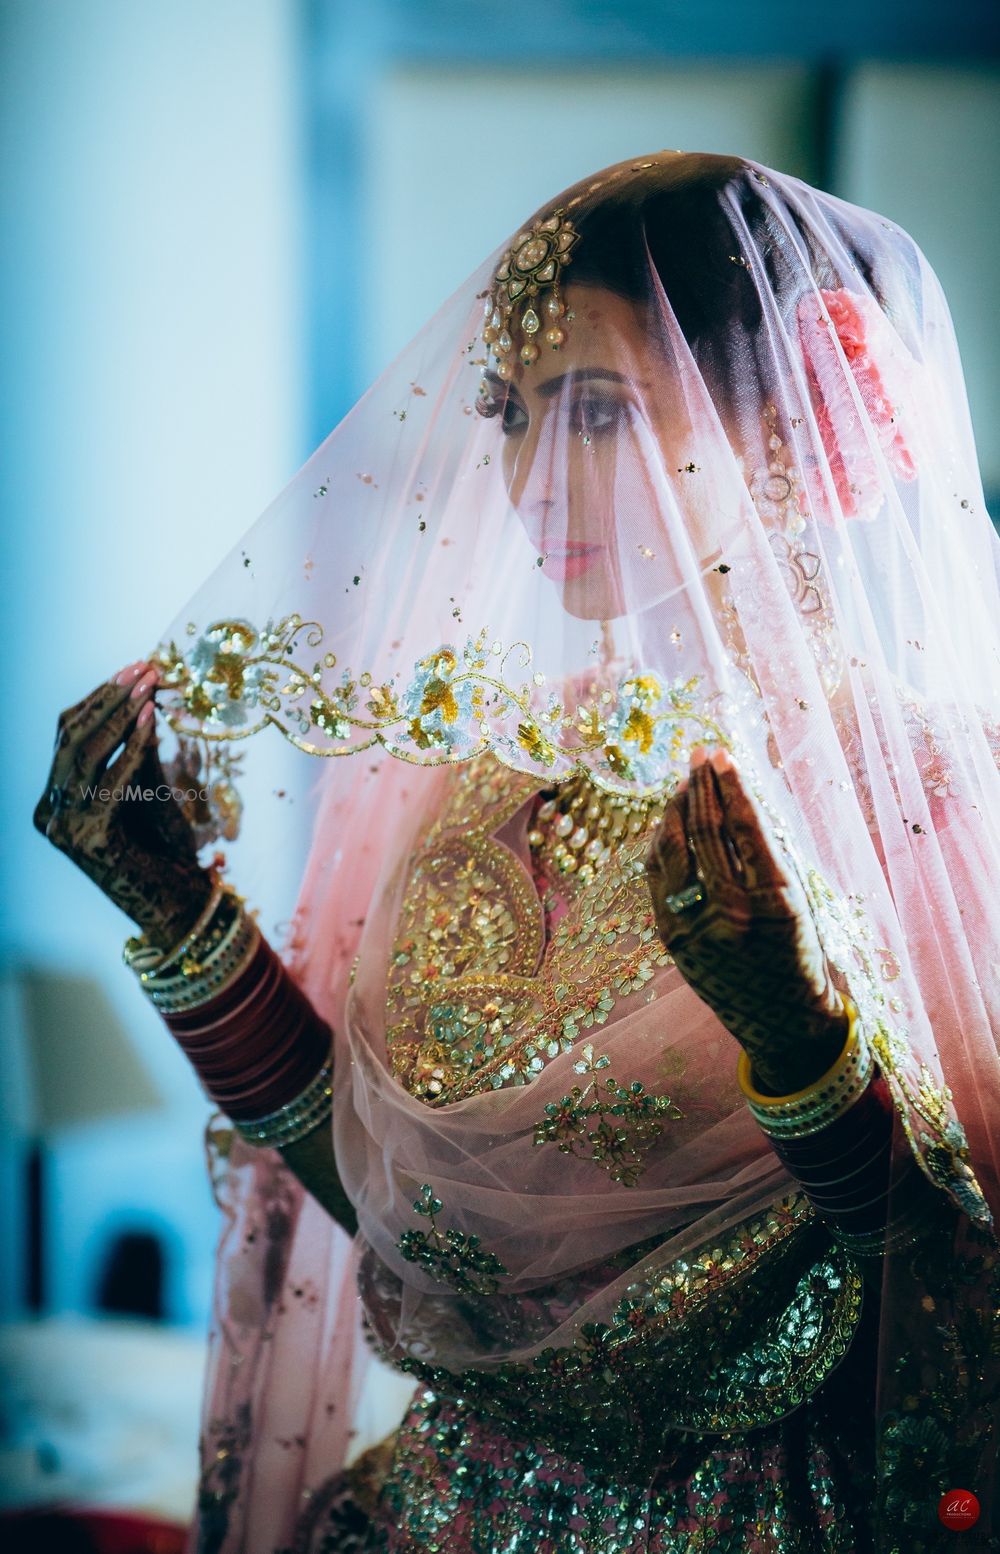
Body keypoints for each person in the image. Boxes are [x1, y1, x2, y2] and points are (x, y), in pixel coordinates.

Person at [36, 152, 1000, 1553]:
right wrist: (183, 918)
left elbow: (962, 1302)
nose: (532, 472)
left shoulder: (913, 794)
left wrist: (800, 1039)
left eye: (598, 410)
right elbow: (399, 1211)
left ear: (783, 429)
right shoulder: (494, 776)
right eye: (513, 411)